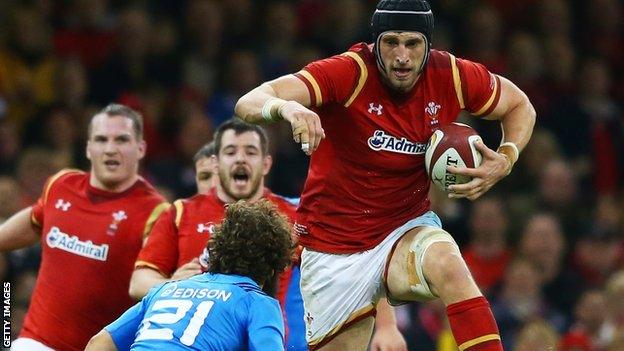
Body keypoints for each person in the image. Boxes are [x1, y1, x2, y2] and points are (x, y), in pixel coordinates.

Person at [235, 0, 536, 350]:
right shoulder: (348, 72)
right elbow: (250, 101)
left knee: (449, 263)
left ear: (428, 45)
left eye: (413, 44)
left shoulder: (451, 75)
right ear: (375, 44)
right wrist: (285, 107)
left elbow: (519, 105)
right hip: (333, 247)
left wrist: (506, 156)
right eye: (391, 42)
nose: (402, 56)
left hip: (403, 228)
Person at [0, 104, 168, 351]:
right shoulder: (61, 185)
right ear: (89, 148)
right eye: (101, 140)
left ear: (141, 148)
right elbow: (35, 220)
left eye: (121, 139)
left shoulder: (156, 212)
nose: (110, 149)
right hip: (35, 342)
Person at [85, 200, 292, 351]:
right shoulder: (258, 302)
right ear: (272, 269)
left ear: (216, 250)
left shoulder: (165, 289)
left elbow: (99, 344)